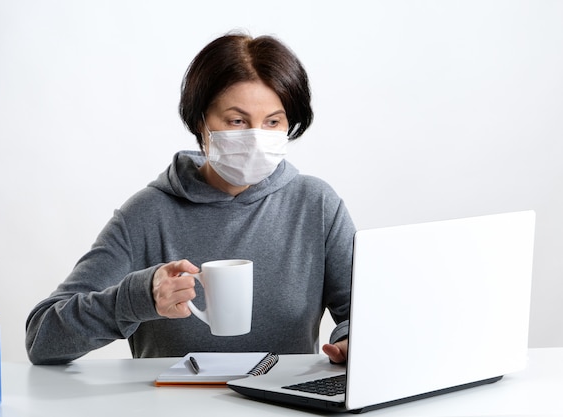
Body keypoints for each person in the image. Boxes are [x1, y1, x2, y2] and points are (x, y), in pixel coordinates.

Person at [25, 31, 355, 365]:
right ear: (201, 123)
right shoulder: (147, 215)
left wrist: (349, 342)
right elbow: (41, 339)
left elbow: (360, 315)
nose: (256, 138)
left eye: (272, 122)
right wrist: (136, 299)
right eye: (237, 121)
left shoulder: (316, 205)